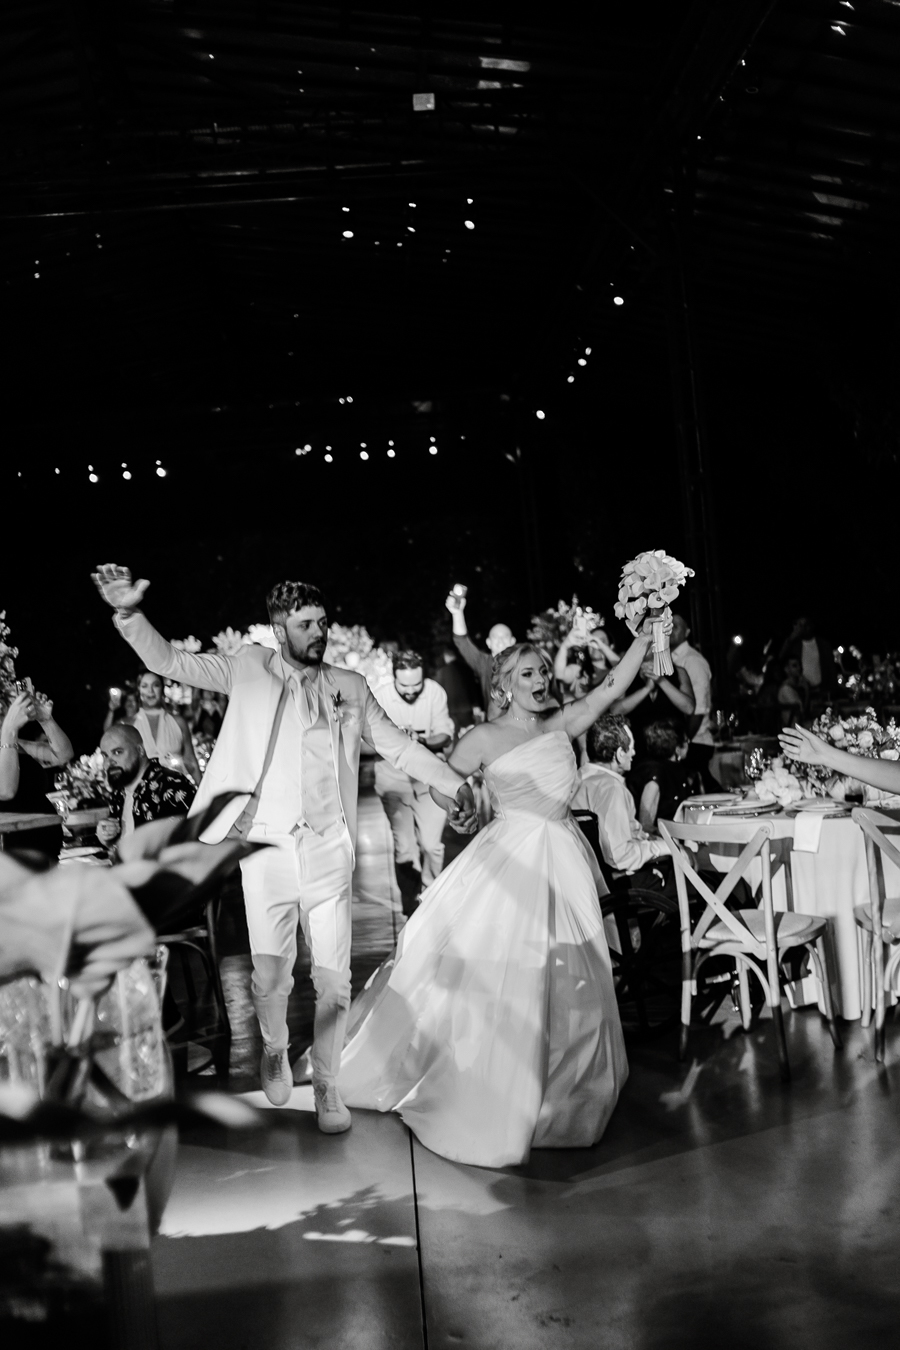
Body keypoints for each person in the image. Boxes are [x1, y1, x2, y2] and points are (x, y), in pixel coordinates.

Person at [91, 564, 475, 1134]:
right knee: (271, 977)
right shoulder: (247, 667)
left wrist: (453, 782)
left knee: (335, 979)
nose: (319, 632)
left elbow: (397, 747)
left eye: (322, 622)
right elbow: (169, 661)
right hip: (266, 845)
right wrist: (128, 614)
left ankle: (326, 1082)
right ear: (279, 628)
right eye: (305, 624)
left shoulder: (348, 686)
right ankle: (274, 1048)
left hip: (328, 844)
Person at [334, 621, 659, 1168]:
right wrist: (456, 805)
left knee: (574, 977)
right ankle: (501, 1090)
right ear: (504, 685)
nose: (540, 680)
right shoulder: (484, 737)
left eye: (542, 672)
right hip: (509, 861)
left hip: (565, 859)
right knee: (515, 975)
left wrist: (644, 641)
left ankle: (565, 1100)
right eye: (527, 674)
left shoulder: (561, 723)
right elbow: (443, 782)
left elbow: (608, 689)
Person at [372, 651, 456, 915]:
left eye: (416, 685)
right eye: (404, 686)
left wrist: (420, 741)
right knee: (405, 848)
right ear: (394, 678)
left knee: (431, 845)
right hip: (393, 778)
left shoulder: (435, 692)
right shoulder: (380, 696)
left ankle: (431, 895)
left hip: (428, 776)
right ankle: (410, 906)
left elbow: (445, 734)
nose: (410, 691)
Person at [573, 715, 676, 900]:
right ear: (620, 754)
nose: (634, 753)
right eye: (631, 747)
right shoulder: (610, 788)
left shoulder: (578, 779)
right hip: (610, 885)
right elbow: (619, 855)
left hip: (584, 879)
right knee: (690, 880)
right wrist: (668, 848)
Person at [0, 686, 74, 860]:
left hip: (45, 846)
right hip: (13, 852)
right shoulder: (8, 742)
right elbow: (6, 790)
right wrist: (9, 731)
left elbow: (64, 755)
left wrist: (46, 720)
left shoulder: (16, 744)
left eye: (3, 708)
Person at [97, 723, 197, 849]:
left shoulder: (171, 785)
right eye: (105, 756)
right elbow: (119, 845)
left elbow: (186, 847)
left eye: (117, 752)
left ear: (140, 750)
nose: (108, 763)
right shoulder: (119, 792)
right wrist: (106, 837)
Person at [444, 589, 515, 720]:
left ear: (513, 641)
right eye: (495, 637)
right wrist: (457, 613)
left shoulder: (523, 661)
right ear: (488, 643)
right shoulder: (484, 663)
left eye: (505, 637)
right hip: (494, 725)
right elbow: (462, 642)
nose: (500, 641)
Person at [627, 718, 696, 835]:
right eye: (686, 741)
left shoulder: (672, 769)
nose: (689, 744)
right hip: (659, 841)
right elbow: (646, 825)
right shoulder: (655, 772)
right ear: (677, 748)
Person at [669, 613, 714, 790]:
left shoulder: (693, 660)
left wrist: (683, 743)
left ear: (687, 632)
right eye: (666, 625)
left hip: (694, 743)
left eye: (675, 626)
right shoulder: (665, 659)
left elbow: (699, 709)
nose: (670, 629)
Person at [132, 670, 202, 784]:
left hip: (177, 788)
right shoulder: (130, 724)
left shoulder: (178, 722)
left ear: (162, 689)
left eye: (155, 685)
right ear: (138, 690)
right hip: (143, 790)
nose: (150, 691)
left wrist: (203, 790)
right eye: (144, 686)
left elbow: (190, 761)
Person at [779, 616, 835, 702]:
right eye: (800, 625)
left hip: (821, 692)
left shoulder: (823, 645)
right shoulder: (795, 645)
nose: (803, 628)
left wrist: (831, 689)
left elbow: (831, 668)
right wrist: (791, 638)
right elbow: (782, 658)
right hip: (801, 692)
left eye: (806, 624)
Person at [432, 642, 476, 734]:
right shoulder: (466, 668)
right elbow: (473, 688)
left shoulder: (441, 671)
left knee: (455, 734)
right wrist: (476, 705)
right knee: (470, 733)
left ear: (446, 656)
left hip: (451, 710)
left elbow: (437, 691)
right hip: (466, 708)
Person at [777, 656, 810, 728]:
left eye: (799, 665)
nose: (799, 668)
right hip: (794, 728)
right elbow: (801, 712)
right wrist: (806, 689)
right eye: (794, 666)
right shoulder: (786, 689)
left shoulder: (798, 686)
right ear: (786, 669)